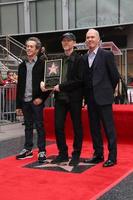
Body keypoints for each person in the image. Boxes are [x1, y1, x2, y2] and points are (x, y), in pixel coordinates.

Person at [41, 32, 84, 166]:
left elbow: (79, 80)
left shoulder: (79, 59)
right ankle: (63, 154)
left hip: (74, 98)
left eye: (69, 40)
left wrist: (61, 86)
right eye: (64, 41)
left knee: (77, 127)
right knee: (58, 127)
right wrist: (45, 85)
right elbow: (51, 79)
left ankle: (76, 154)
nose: (66, 43)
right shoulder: (57, 60)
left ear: (74, 43)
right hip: (60, 98)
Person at [83, 29, 120, 167]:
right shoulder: (84, 58)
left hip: (104, 98)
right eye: (88, 37)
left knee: (109, 128)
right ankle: (98, 154)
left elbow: (115, 76)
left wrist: (107, 90)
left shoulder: (106, 55)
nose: (90, 39)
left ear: (98, 40)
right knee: (94, 128)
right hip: (90, 99)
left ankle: (112, 157)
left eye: (92, 37)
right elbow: (85, 80)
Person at [16, 37, 50, 163]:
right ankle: (28, 149)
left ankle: (42, 150)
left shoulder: (43, 64)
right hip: (24, 101)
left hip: (36, 102)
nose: (28, 48)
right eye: (27, 46)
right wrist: (18, 105)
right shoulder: (21, 66)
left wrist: (41, 98)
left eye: (31, 46)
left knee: (40, 126)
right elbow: (19, 86)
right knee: (28, 126)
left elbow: (49, 85)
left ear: (37, 49)